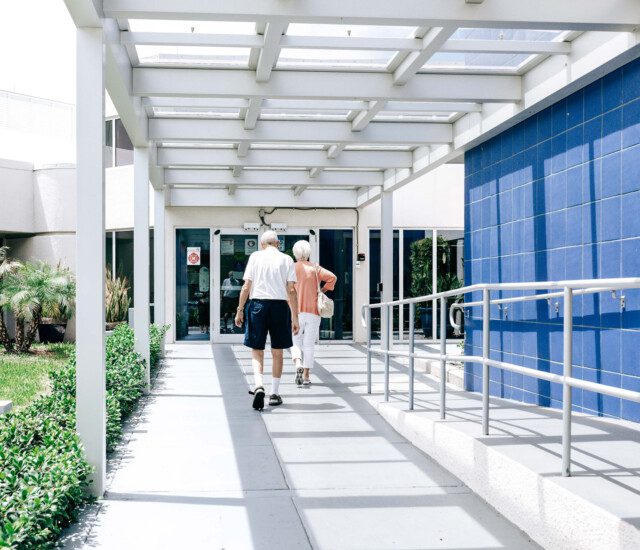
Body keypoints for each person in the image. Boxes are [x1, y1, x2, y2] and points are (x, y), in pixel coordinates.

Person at [235, 230, 300, 410]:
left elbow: (246, 286)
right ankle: (274, 393)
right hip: (280, 307)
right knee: (277, 351)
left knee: (257, 349)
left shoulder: (255, 256)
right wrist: (295, 317)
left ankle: (258, 385)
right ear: (278, 243)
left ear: (262, 244)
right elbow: (292, 291)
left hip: (257, 306)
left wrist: (240, 310)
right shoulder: (287, 259)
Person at [290, 240, 337, 386]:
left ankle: (297, 363)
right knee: (309, 344)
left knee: (295, 340)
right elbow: (332, 277)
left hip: (295, 311)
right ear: (308, 253)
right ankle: (306, 376)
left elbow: (287, 289)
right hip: (313, 311)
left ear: (295, 253)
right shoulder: (315, 268)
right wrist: (321, 291)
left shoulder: (291, 268)